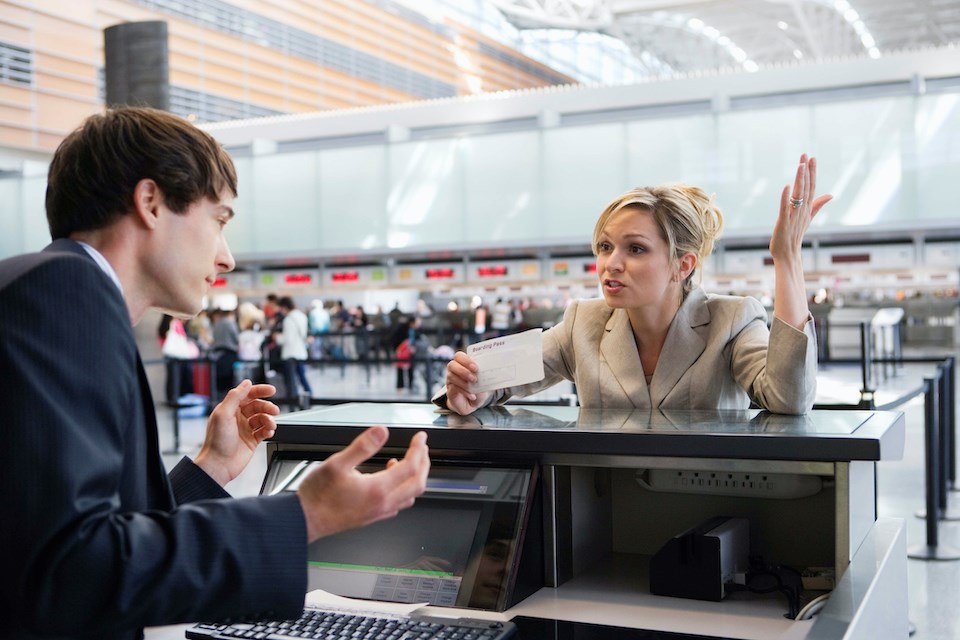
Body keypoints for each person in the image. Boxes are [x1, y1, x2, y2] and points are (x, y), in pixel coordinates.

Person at [0, 106, 430, 640]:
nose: (226, 258)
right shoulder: (64, 298)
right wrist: (307, 516)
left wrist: (211, 468)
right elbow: (69, 573)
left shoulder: (61, 294)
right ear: (151, 202)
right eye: (219, 220)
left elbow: (81, 536)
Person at [439, 155, 829, 416]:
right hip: (600, 509)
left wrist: (787, 258)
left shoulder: (732, 320)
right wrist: (472, 390)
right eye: (605, 247)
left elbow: (788, 398)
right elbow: (492, 380)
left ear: (682, 265)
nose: (612, 263)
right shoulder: (582, 322)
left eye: (636, 249)